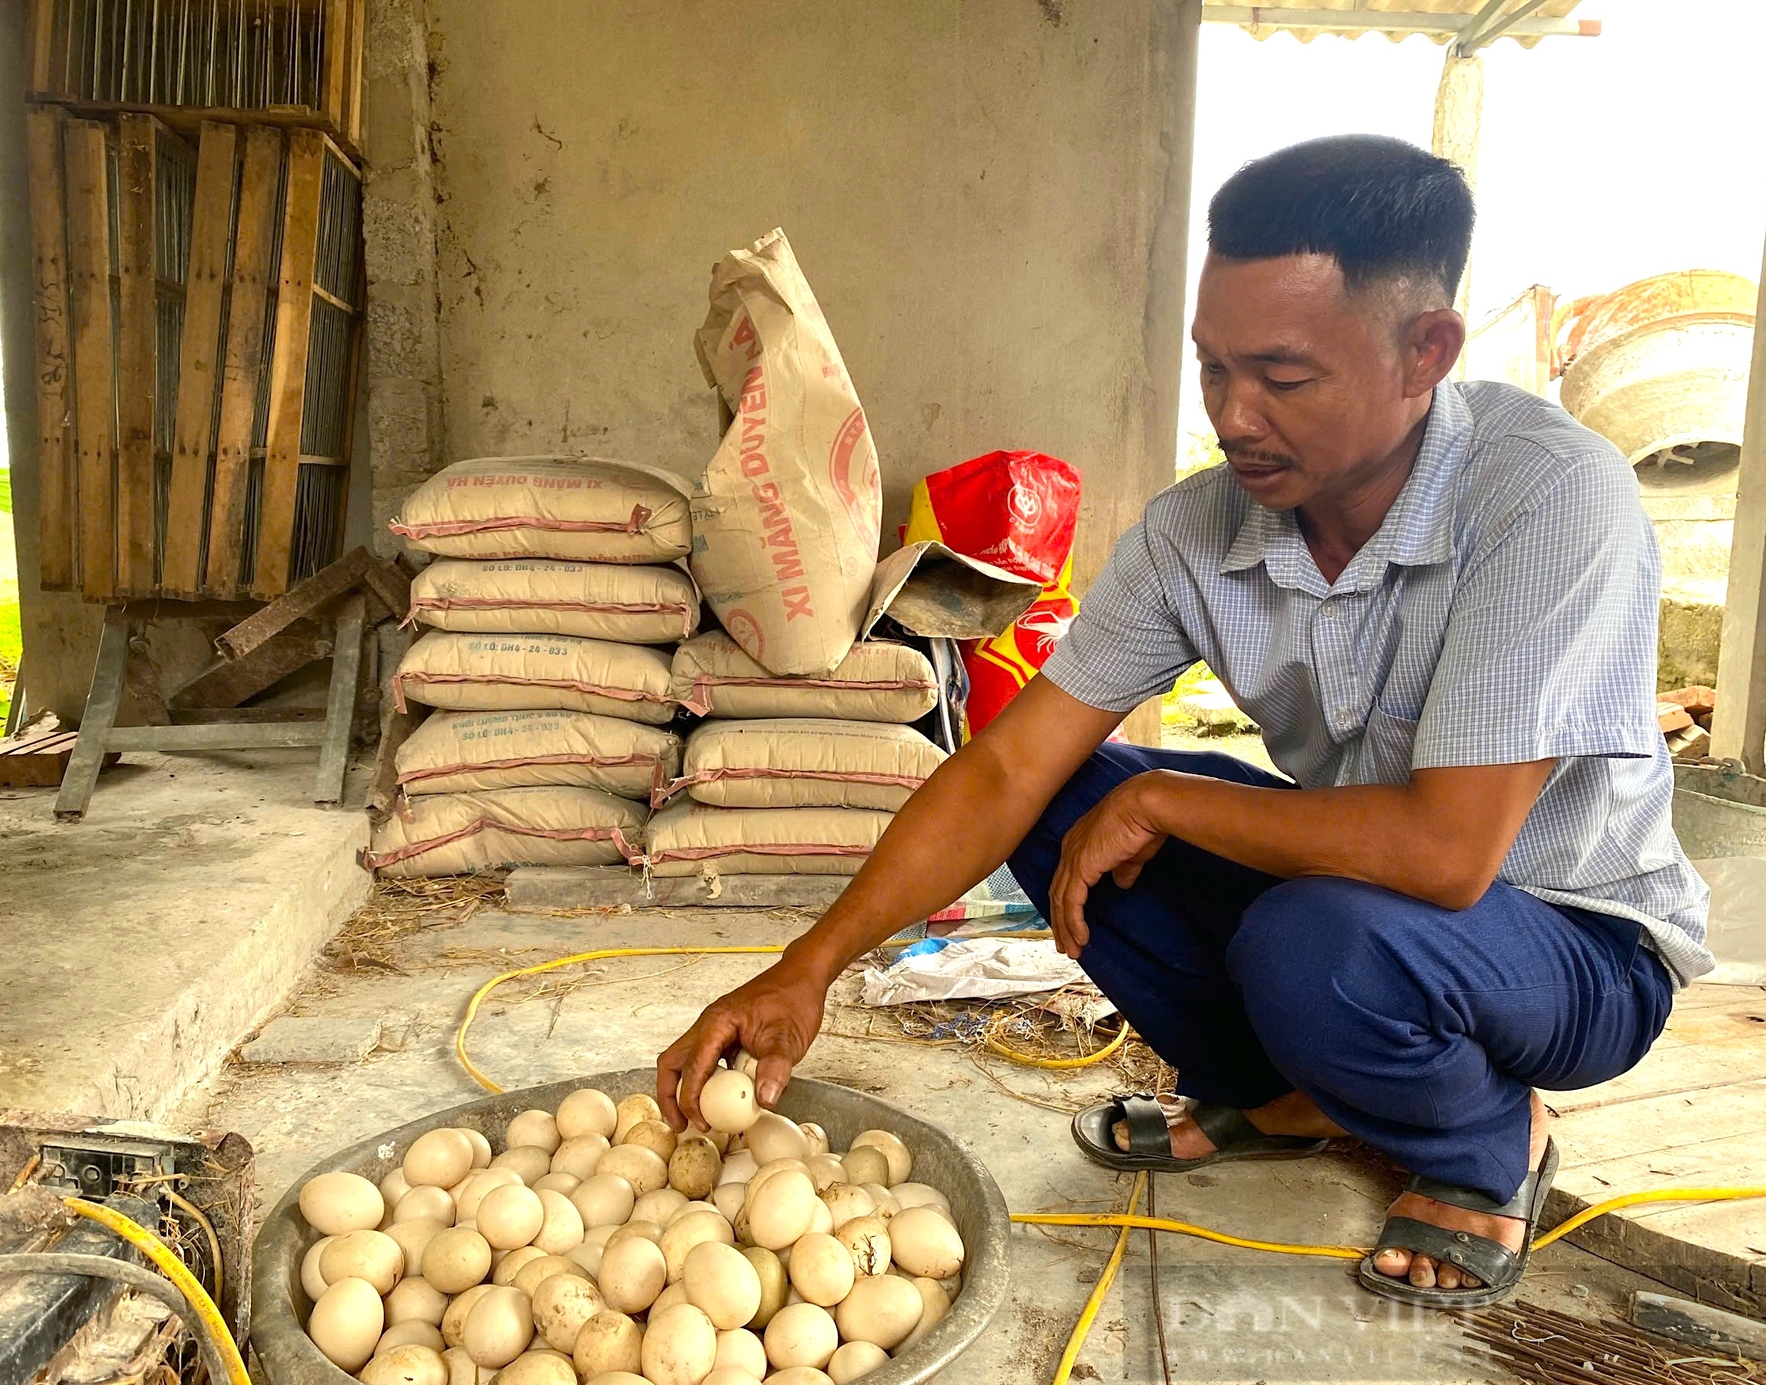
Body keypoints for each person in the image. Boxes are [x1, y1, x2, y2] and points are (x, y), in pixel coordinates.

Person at [656, 134, 1711, 1309]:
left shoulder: (1545, 496)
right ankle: (1293, 1095)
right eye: (1213, 370)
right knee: (1061, 802)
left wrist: (1163, 798)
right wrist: (805, 969)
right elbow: (1004, 768)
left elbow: (1446, 853)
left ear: (1426, 353)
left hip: (1572, 944)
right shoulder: (1199, 530)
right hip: (1372, 906)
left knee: (1309, 938)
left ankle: (1480, 1146)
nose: (1233, 416)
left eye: (1281, 376)